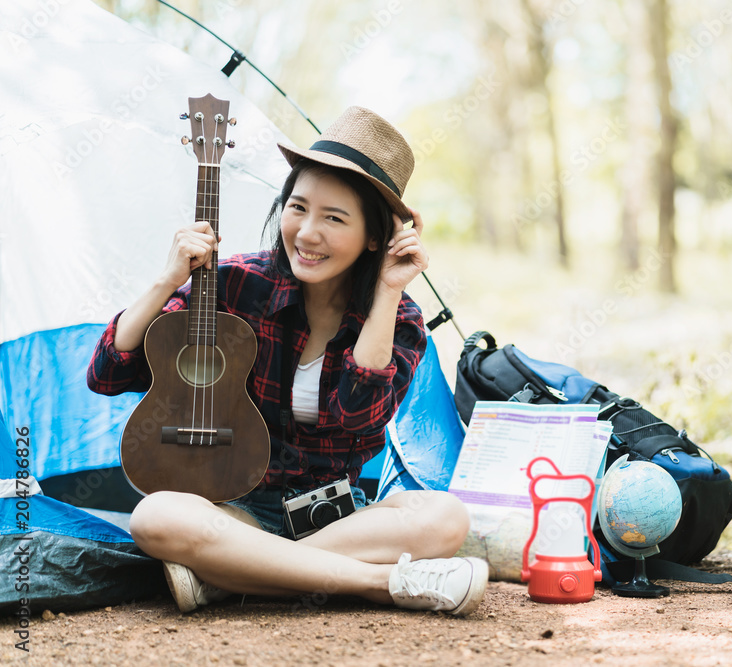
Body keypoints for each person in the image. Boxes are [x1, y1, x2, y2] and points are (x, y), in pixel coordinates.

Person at [87, 106, 488, 616]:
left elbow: (355, 418)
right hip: (234, 516)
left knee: (445, 516)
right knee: (155, 515)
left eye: (334, 218)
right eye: (298, 208)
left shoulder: (398, 316)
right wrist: (167, 280)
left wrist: (387, 290)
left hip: (338, 518)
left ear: (375, 237)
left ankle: (232, 579)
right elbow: (107, 372)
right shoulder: (234, 284)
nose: (306, 233)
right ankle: (381, 583)